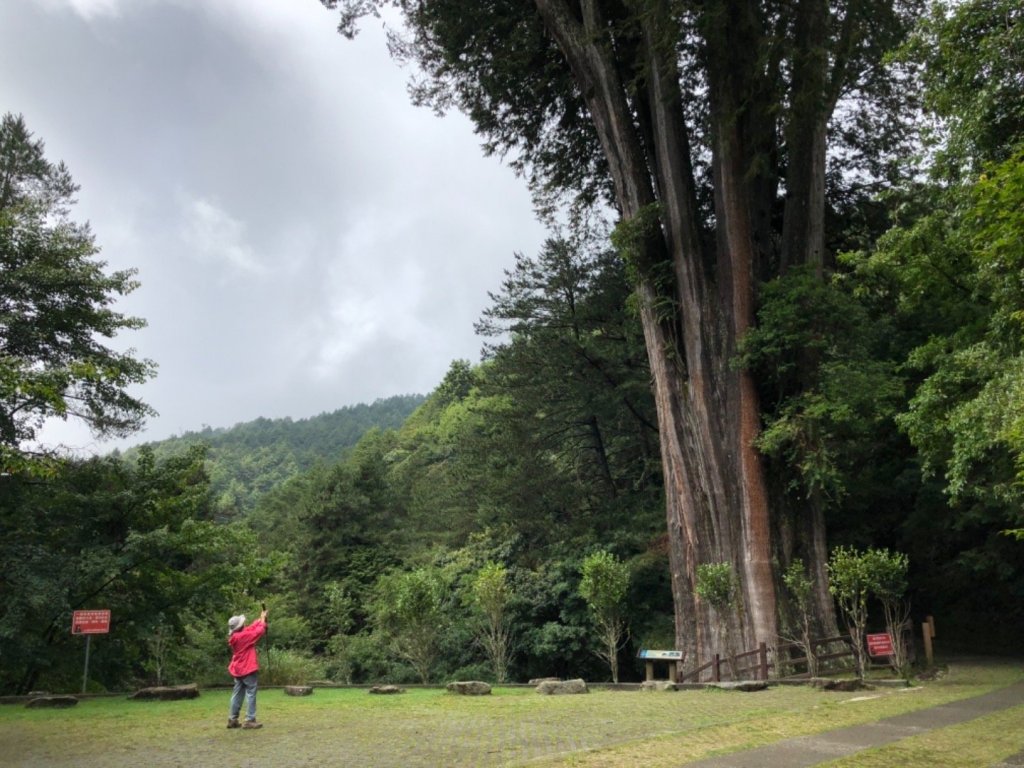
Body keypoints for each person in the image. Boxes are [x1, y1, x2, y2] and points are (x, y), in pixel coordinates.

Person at [226, 606, 267, 729]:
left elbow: (252, 628)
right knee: (251, 692)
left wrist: (261, 618)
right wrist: (263, 620)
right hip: (247, 668)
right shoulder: (243, 636)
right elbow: (259, 631)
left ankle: (232, 719)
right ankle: (250, 719)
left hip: (238, 668)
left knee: (237, 692)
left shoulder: (237, 636)